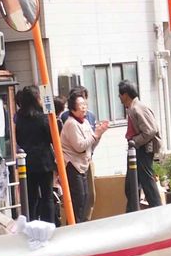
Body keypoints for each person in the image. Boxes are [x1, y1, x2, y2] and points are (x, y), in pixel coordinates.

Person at [59, 91, 108, 222]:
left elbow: (91, 144)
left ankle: (79, 224)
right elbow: (79, 146)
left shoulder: (85, 122)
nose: (84, 107)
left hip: (82, 164)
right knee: (78, 199)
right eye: (81, 105)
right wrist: (95, 135)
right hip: (72, 165)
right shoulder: (71, 123)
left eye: (85, 104)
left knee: (85, 197)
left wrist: (99, 134)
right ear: (73, 107)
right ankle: (74, 226)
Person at [15, 86, 58, 223]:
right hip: (44, 161)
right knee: (47, 197)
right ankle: (49, 224)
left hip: (27, 162)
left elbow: (19, 139)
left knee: (31, 198)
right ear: (36, 99)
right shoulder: (43, 117)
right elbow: (52, 138)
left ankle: (31, 223)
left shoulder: (20, 118)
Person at [119, 80, 164, 211]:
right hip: (136, 149)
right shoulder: (132, 108)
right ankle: (132, 211)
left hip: (142, 149)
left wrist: (135, 141)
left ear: (125, 95)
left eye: (120, 95)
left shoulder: (138, 108)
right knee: (132, 184)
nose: (119, 98)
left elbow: (150, 130)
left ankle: (157, 210)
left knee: (147, 182)